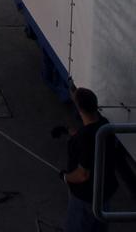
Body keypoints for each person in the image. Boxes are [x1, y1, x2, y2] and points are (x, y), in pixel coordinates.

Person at [61, 86, 117, 230]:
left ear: (79, 110)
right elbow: (88, 138)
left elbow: (83, 174)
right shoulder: (105, 125)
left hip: (85, 199)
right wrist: (69, 132)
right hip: (104, 196)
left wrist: (66, 177)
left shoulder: (85, 138)